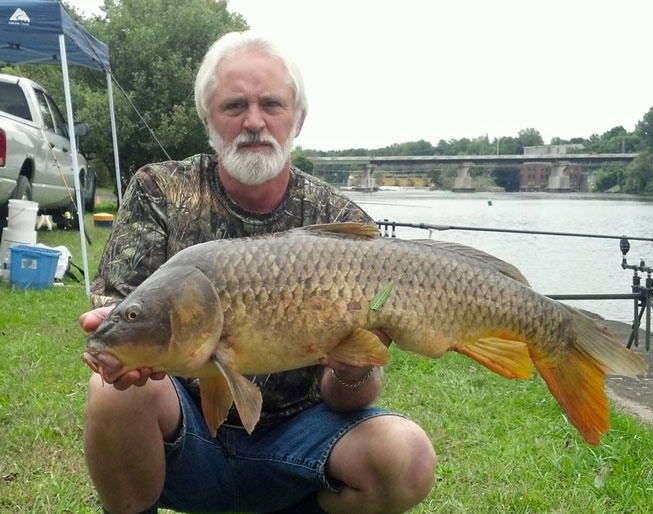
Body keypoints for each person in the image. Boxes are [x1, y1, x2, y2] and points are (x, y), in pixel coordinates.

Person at [80, 32, 436, 514]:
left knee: (406, 456)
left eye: (271, 104)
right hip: (184, 439)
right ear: (209, 120)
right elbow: (117, 312)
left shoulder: (345, 227)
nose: (254, 122)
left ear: (298, 118)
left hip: (302, 444)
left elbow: (353, 396)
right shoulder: (159, 192)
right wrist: (117, 342)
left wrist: (353, 373)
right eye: (234, 107)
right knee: (111, 391)